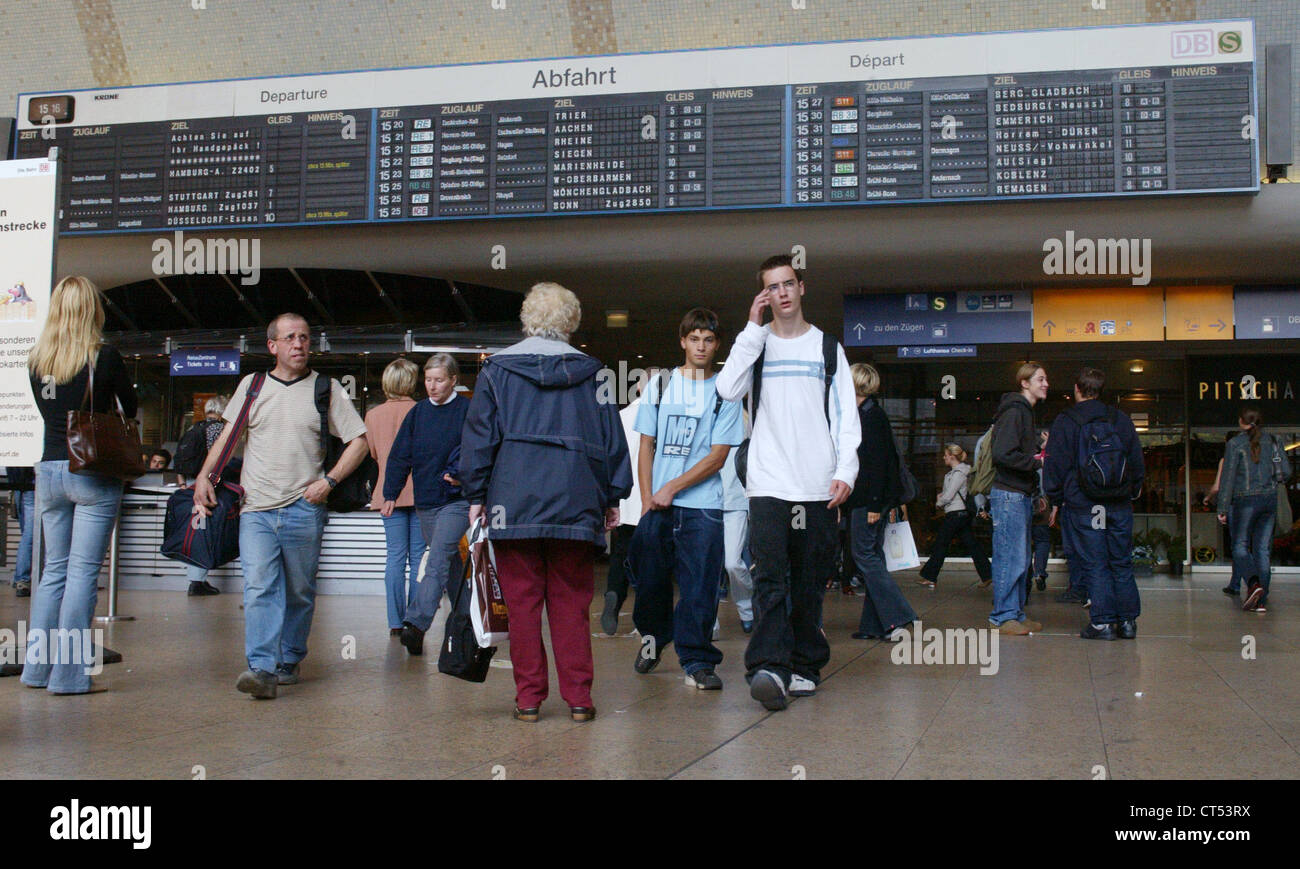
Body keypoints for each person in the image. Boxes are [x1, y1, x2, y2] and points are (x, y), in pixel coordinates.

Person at [459, 282, 631, 722]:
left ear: (527, 319)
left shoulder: (497, 371)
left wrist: (476, 495)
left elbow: (479, 439)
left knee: (521, 604)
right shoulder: (593, 373)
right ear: (571, 322)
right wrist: (613, 494)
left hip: (513, 501)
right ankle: (578, 699)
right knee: (572, 604)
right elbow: (612, 438)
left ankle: (529, 699)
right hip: (576, 499)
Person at [194, 313, 369, 699]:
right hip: (255, 508)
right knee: (258, 587)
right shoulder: (252, 386)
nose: (299, 344)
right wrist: (204, 476)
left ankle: (290, 657)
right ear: (272, 346)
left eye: (305, 338)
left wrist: (329, 481)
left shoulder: (325, 389)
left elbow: (360, 441)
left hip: (304, 508)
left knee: (300, 591)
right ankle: (262, 668)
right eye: (290, 337)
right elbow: (228, 437)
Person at [715, 254, 860, 712]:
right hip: (768, 483)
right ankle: (768, 667)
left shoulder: (827, 348)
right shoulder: (756, 345)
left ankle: (804, 665)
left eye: (788, 284)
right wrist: (750, 329)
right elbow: (726, 388)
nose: (781, 293)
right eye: (771, 287)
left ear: (801, 288)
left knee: (809, 582)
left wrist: (845, 472)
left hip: (817, 484)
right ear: (765, 295)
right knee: (770, 580)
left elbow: (845, 417)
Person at [23, 276, 137, 694]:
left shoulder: (37, 360)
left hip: (49, 471)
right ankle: (69, 676)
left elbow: (49, 414)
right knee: (83, 573)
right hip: (90, 471)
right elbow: (131, 405)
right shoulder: (103, 356)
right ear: (92, 309)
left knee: (52, 572)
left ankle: (36, 669)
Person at [628, 308, 744, 690]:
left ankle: (697, 659)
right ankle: (653, 641)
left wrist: (671, 488)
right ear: (682, 341)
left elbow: (717, 456)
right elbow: (646, 445)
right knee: (650, 584)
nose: (701, 346)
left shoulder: (725, 391)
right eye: (694, 339)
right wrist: (647, 498)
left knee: (700, 586)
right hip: (657, 507)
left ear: (717, 345)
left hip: (703, 508)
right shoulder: (661, 386)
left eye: (708, 340)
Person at [1044, 367, 1145, 639]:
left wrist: (1055, 499)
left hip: (1083, 503)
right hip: (1119, 503)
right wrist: (1132, 491)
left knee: (1095, 563)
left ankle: (1102, 623)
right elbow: (1136, 460)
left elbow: (1055, 464)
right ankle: (1127, 622)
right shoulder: (1120, 419)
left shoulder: (1066, 420)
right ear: (1100, 390)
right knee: (1121, 561)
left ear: (1077, 389)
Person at [385, 354, 469, 654]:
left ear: (453, 381)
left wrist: (463, 476)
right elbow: (400, 455)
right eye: (428, 380)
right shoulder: (418, 413)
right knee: (451, 565)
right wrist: (390, 494)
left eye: (439, 380)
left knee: (437, 558)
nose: (432, 386)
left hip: (457, 500)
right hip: (427, 501)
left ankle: (416, 624)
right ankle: (465, 625)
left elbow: (480, 450)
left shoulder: (467, 411)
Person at [843, 363, 916, 641]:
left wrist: (874, 504)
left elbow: (878, 465)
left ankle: (900, 615)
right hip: (870, 501)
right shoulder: (869, 414)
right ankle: (874, 625)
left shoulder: (870, 418)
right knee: (873, 556)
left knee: (865, 556)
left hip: (868, 501)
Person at [364, 358, 426, 636]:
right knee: (418, 558)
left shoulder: (373, 415)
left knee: (395, 557)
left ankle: (395, 622)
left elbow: (375, 454)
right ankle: (415, 619)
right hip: (422, 493)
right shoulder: (423, 411)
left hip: (388, 493)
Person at [987, 361, 1049, 636]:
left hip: (1018, 494)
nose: (1046, 384)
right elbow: (1003, 454)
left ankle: (1015, 613)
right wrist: (1036, 463)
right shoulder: (1016, 411)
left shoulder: (1022, 412)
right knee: (1010, 558)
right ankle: (1002, 617)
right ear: (1025, 383)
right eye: (1040, 379)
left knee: (1020, 559)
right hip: (1010, 494)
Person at [1218, 407, 1291, 614]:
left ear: (1242, 422)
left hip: (1244, 500)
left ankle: (1253, 583)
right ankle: (1261, 601)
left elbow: (1228, 477)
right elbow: (1285, 472)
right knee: (1262, 550)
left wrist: (1222, 507)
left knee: (1240, 546)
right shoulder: (1274, 441)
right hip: (1269, 499)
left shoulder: (1235, 444)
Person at [600, 391, 645, 636]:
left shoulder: (619, 416)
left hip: (623, 500)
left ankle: (614, 595)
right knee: (648, 562)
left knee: (620, 555)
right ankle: (642, 618)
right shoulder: (661, 416)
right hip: (650, 501)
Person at [918, 443, 991, 589]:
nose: (944, 457)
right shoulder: (960, 472)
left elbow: (949, 495)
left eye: (945, 455)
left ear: (952, 456)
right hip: (961, 514)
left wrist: (939, 502)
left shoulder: (958, 474)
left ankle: (930, 576)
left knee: (941, 544)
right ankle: (988, 574)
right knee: (972, 545)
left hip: (955, 514)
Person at [182, 395, 230, 597]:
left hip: (193, 483)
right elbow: (219, 458)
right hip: (210, 486)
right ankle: (197, 581)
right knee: (205, 532)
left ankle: (196, 579)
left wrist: (184, 482)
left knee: (197, 532)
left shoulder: (193, 428)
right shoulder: (217, 429)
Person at [719, 418, 755, 632]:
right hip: (705, 499)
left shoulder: (744, 421)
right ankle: (709, 622)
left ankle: (748, 607)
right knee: (708, 565)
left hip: (736, 500)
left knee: (732, 563)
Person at [1204, 432, 1241, 596]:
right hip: (1255, 504)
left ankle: (1236, 583)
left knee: (1238, 546)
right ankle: (1259, 583)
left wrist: (1209, 497)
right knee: (1257, 548)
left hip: (1235, 505)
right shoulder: (1254, 457)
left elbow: (1218, 486)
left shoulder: (1226, 460)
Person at [6, 467, 35, 597]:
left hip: (19, 484)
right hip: (32, 482)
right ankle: (22, 579)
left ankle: (21, 578)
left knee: (27, 535)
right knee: (30, 536)